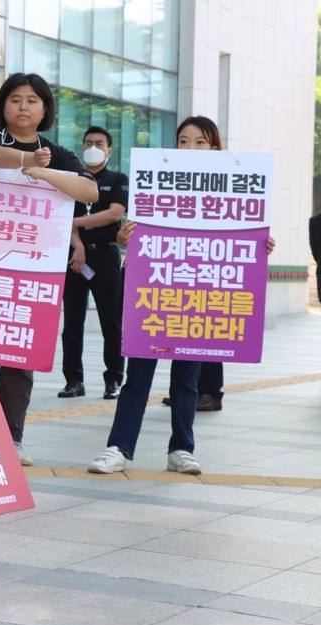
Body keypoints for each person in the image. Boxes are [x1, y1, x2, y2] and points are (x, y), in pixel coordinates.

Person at [89, 115, 275, 475]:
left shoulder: (233, 189)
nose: (190, 148)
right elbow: (137, 236)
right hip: (157, 296)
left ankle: (181, 449)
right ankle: (119, 448)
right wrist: (124, 238)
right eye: (184, 141)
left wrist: (260, 244)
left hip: (196, 299)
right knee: (138, 377)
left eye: (200, 142)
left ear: (215, 148)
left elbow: (241, 240)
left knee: (187, 380)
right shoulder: (157, 185)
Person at [0, 73, 99, 466]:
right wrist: (28, 160)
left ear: (45, 109)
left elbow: (89, 191)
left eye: (32, 100)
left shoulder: (58, 154)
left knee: (19, 357)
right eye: (15, 99)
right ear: (3, 105)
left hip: (34, 274)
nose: (23, 107)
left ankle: (12, 438)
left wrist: (45, 172)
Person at [58, 126, 127, 401]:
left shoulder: (118, 179)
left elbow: (114, 214)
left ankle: (114, 380)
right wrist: (77, 245)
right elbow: (62, 212)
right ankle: (74, 380)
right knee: (72, 321)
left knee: (111, 321)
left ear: (108, 151)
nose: (93, 147)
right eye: (88, 143)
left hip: (106, 255)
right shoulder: (72, 179)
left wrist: (75, 223)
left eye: (99, 143)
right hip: (75, 256)